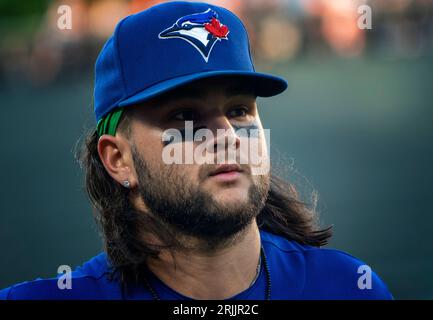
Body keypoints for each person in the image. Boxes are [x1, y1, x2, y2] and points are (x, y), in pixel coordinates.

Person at [0, 1, 393, 300]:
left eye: (239, 109)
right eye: (184, 114)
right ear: (118, 160)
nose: (226, 134)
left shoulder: (349, 287)